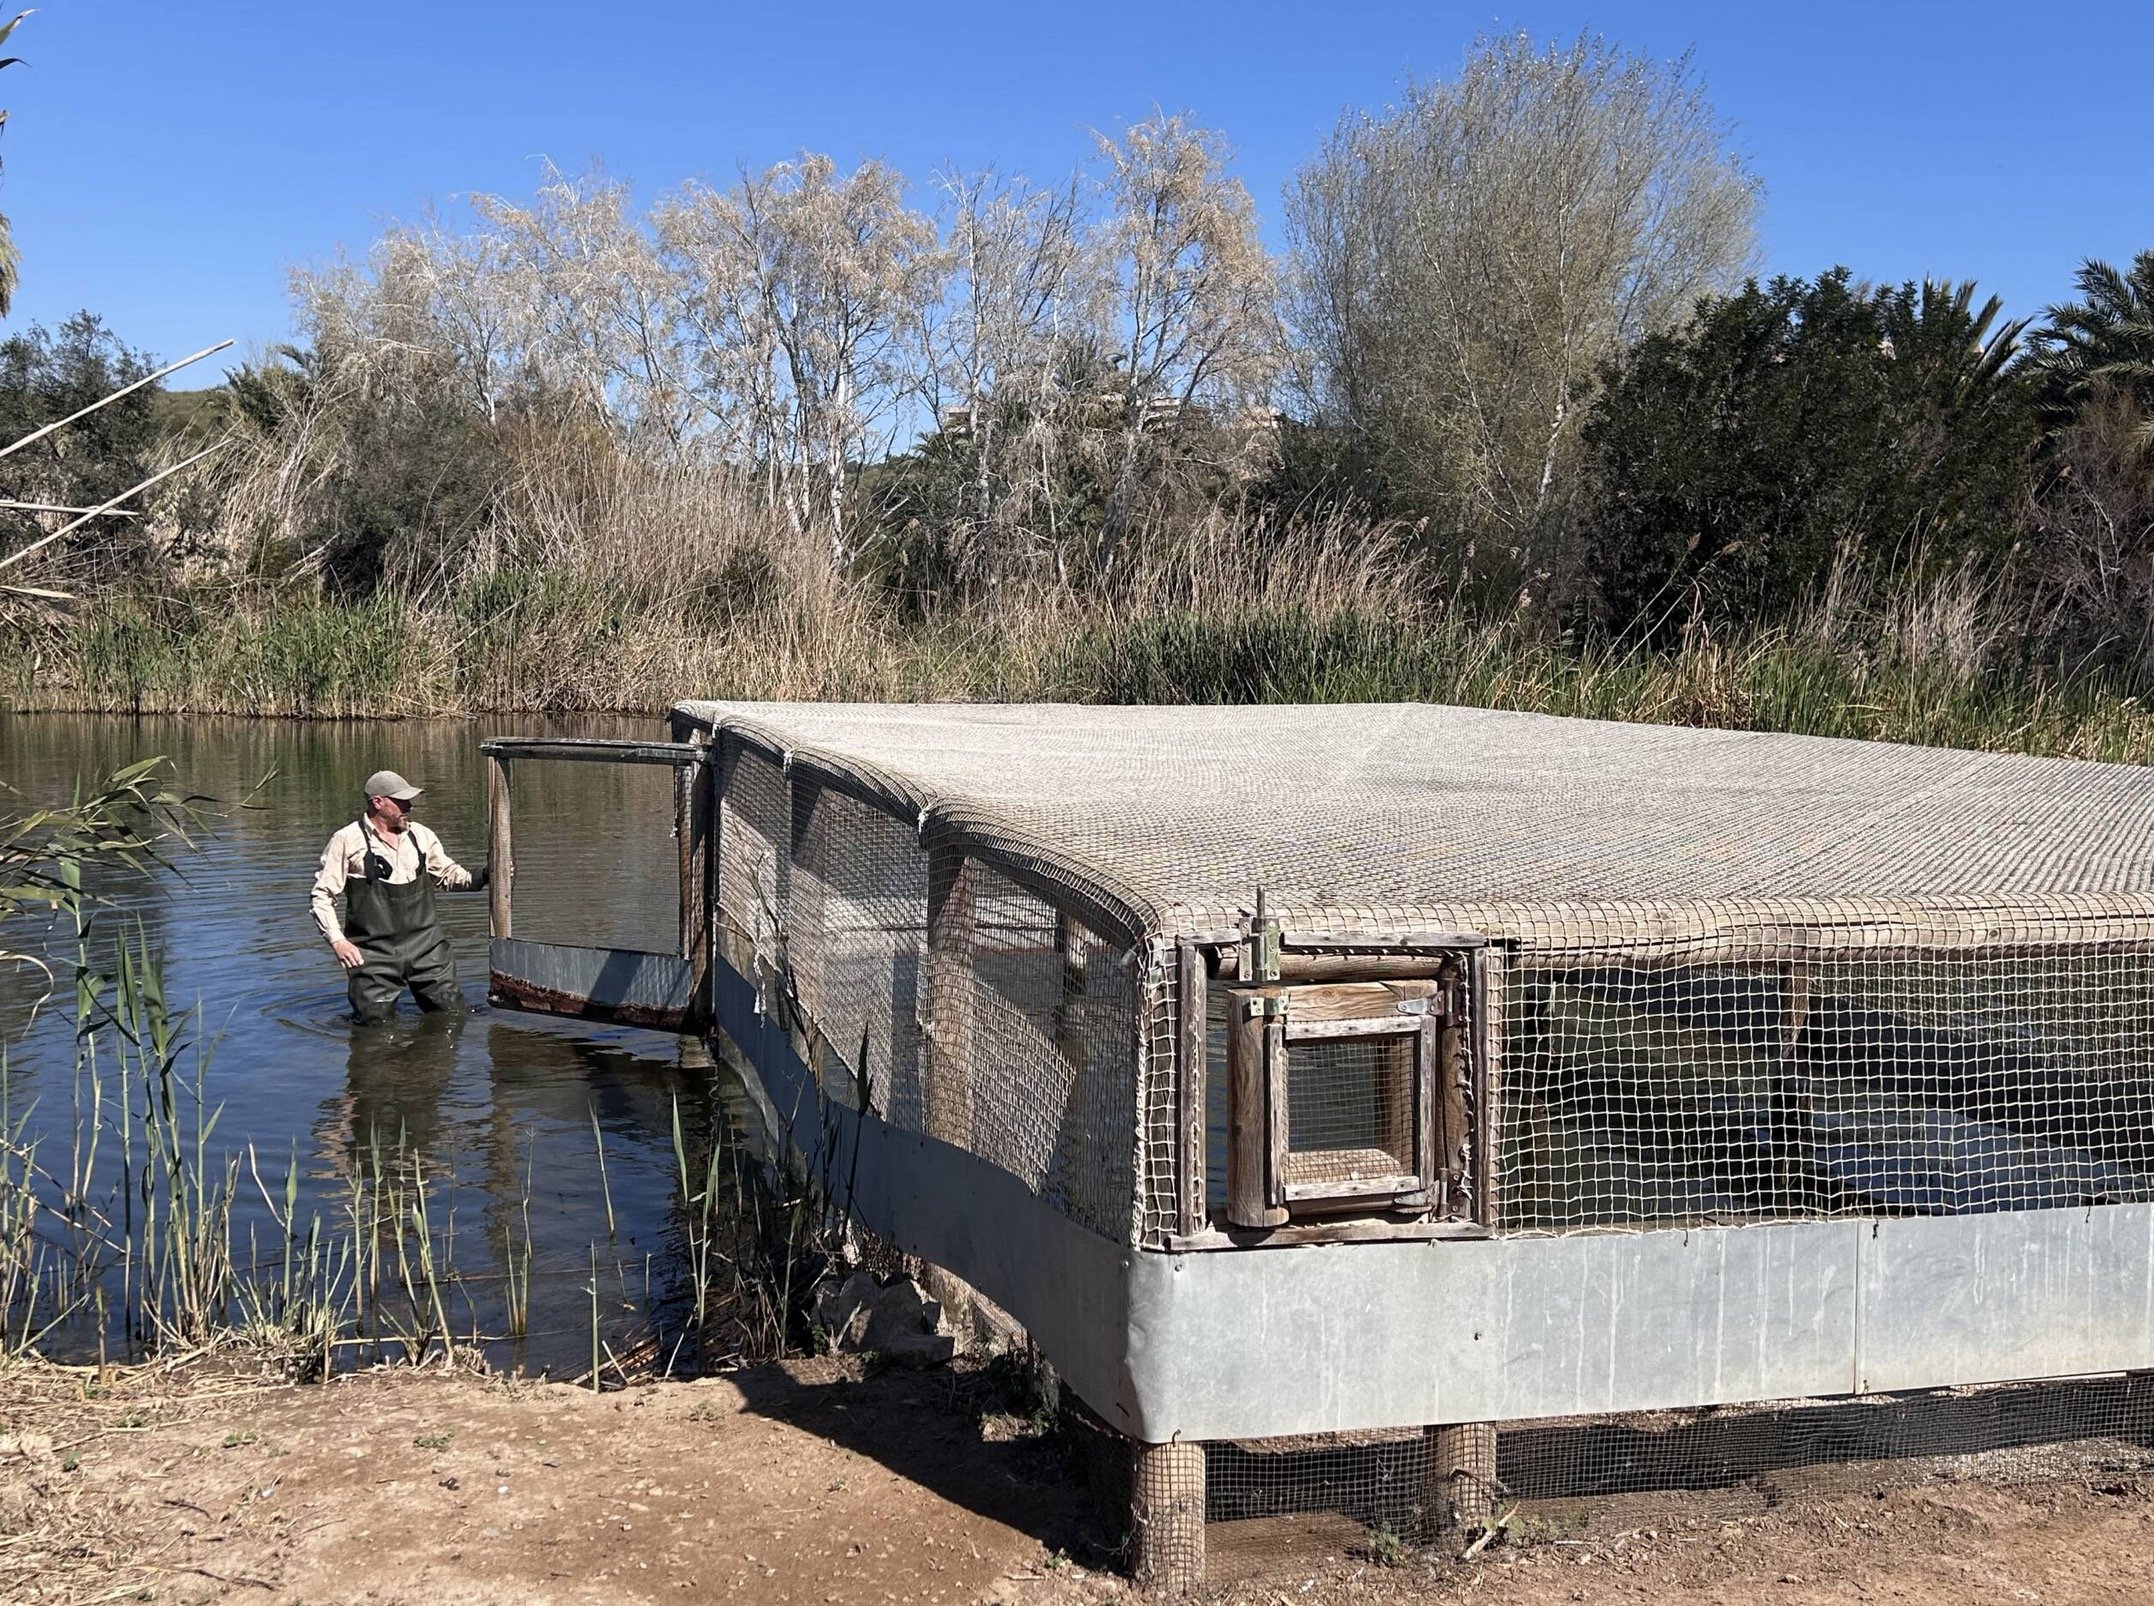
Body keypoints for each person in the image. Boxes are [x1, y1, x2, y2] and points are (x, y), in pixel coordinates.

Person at [311, 769, 487, 1024]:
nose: (409, 806)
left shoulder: (421, 836)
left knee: (452, 1018)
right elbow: (322, 896)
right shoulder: (347, 840)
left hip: (428, 949)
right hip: (373, 955)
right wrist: (338, 941)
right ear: (378, 802)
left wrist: (484, 876)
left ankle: (434, 1063)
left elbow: (447, 875)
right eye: (402, 801)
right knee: (375, 1031)